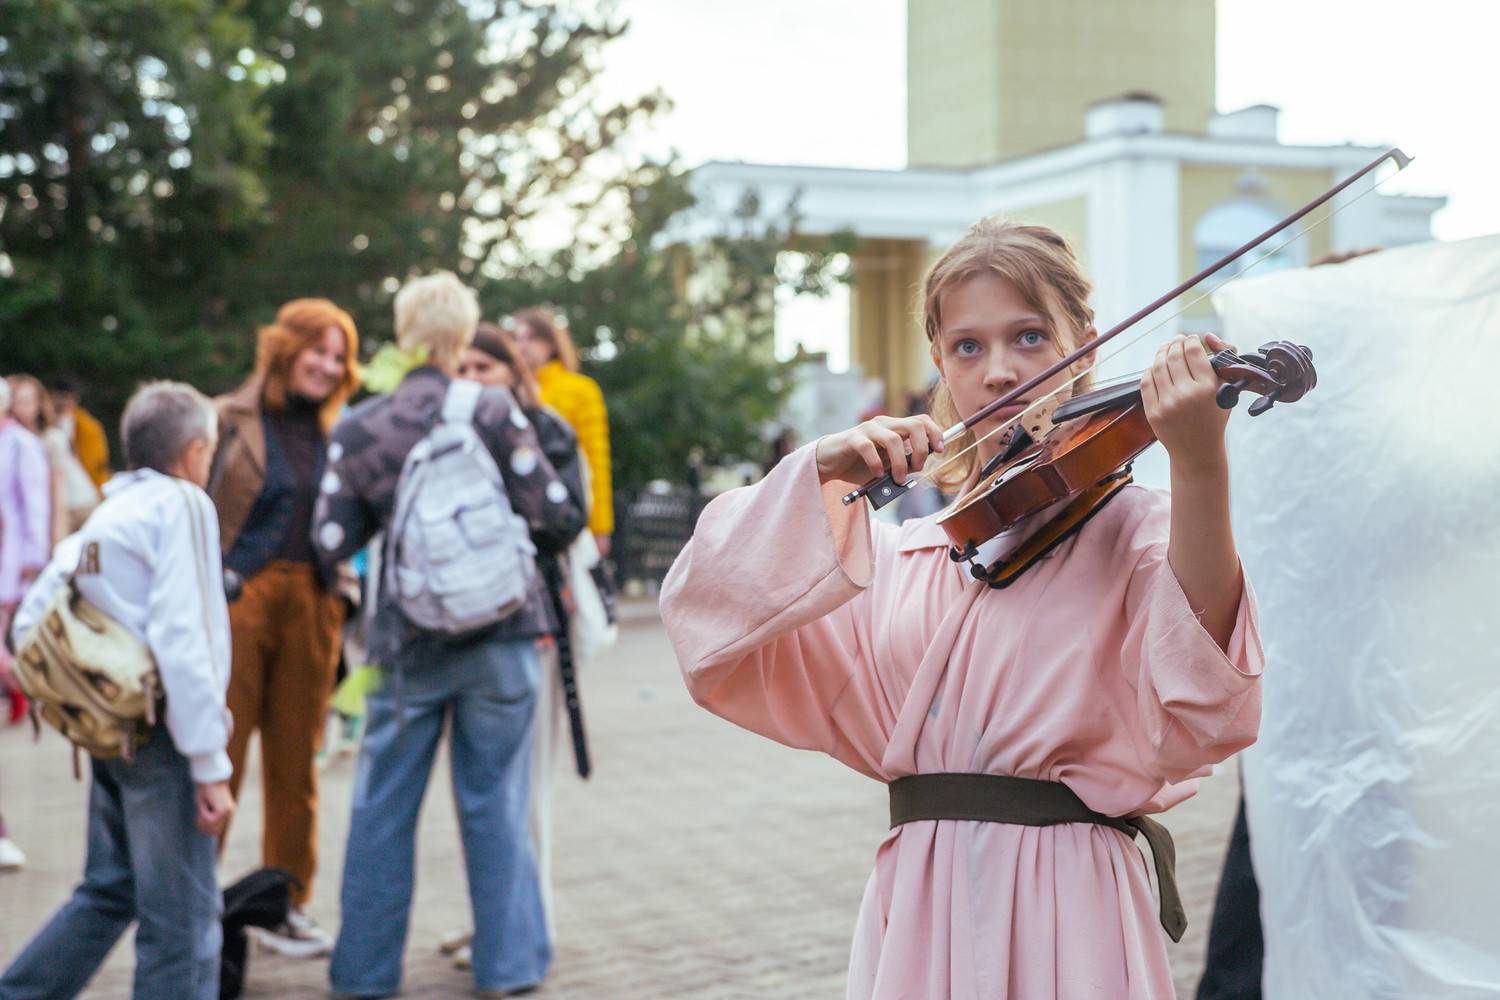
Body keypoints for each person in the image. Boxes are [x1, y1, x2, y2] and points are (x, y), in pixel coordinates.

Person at [659, 220, 1265, 999]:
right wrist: (816, 471)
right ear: (939, 361)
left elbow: (1211, 700)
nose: (1000, 371)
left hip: (1069, 901)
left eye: (1030, 337)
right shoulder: (898, 556)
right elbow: (703, 610)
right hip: (920, 897)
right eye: (968, 347)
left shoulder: (1137, 529)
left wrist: (1199, 465)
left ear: (1084, 343)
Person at [315, 272, 586, 999]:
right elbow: (560, 517)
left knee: (381, 809)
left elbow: (331, 537)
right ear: (465, 334)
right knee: (495, 803)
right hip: (503, 638)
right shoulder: (493, 408)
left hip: (405, 647)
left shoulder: (361, 423)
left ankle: (365, 974)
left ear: (403, 336)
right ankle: (510, 967)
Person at [0, 380, 235, 1000]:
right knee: (181, 924)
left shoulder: (112, 509)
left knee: (110, 891)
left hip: (105, 732)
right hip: (161, 736)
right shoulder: (182, 504)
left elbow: (32, 619)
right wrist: (211, 765)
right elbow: (190, 641)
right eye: (210, 448)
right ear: (192, 451)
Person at [207, 298, 361, 957]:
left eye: (339, 356)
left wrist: (347, 594)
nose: (328, 366)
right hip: (239, 598)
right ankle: (190, 904)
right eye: (318, 351)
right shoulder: (224, 418)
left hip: (315, 602)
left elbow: (359, 518)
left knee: (297, 766)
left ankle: (286, 904)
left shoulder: (343, 432)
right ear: (285, 348)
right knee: (217, 758)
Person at [450, 322, 590, 961]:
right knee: (480, 791)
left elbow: (565, 521)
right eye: (464, 368)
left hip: (530, 623)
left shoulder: (547, 430)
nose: (473, 378)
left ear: (512, 372)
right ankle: (492, 924)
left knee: (524, 786)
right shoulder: (447, 433)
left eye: (485, 367)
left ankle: (531, 929)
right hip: (461, 629)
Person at [512, 308, 613, 556]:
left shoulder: (580, 390)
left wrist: (600, 527)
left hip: (566, 516)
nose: (522, 346)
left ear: (551, 344)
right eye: (517, 339)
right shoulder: (507, 390)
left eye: (531, 338)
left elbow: (595, 460)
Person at [48, 375, 112, 491]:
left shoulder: (87, 425)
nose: (64, 403)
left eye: (69, 398)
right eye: (61, 397)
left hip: (83, 486)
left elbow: (94, 464)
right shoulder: (42, 421)